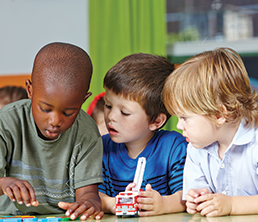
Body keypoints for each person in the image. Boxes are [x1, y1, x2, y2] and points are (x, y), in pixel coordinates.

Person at [0, 42, 104, 220]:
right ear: (30, 90)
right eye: (45, 109)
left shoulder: (87, 132)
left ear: (83, 100)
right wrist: (3, 183)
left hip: (61, 218)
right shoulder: (6, 122)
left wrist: (89, 204)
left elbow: (88, 194)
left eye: (69, 112)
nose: (55, 121)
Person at [162, 47, 258, 217]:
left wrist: (232, 205)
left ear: (218, 115)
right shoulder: (196, 147)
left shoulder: (254, 142)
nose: (179, 126)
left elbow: (228, 205)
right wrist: (196, 201)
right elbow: (195, 194)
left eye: (184, 117)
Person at [98, 53, 188, 216]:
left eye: (124, 112)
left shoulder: (174, 148)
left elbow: (186, 196)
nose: (111, 116)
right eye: (108, 105)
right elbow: (94, 196)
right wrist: (114, 203)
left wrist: (163, 204)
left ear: (156, 121)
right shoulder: (101, 148)